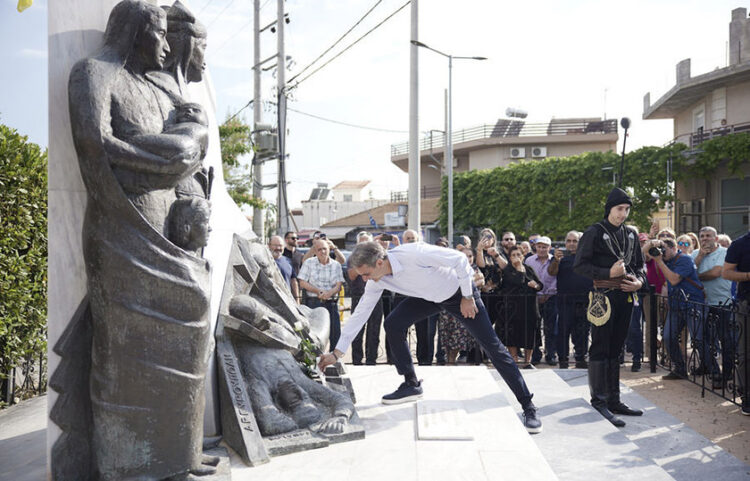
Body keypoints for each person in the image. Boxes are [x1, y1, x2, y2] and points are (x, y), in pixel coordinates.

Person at [318, 242, 542, 433]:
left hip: (458, 294)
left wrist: (466, 296)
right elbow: (361, 313)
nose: (365, 279)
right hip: (428, 298)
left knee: (493, 347)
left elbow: (459, 260)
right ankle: (411, 383)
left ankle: (528, 405)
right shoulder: (378, 280)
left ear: (379, 262)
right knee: (393, 324)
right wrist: (337, 353)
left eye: (365, 273)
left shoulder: (413, 254)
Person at [574, 187, 647, 427]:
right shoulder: (594, 232)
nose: (623, 214)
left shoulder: (632, 235)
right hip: (601, 296)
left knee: (617, 348)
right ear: (609, 209)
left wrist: (639, 282)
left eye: (626, 209)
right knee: (601, 347)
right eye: (619, 209)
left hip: (625, 297)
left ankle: (614, 400)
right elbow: (580, 266)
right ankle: (599, 401)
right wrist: (608, 272)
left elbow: (639, 265)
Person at [652, 237, 710, 380]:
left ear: (673, 248)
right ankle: (680, 369)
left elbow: (674, 279)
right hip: (676, 305)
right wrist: (652, 244)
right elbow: (644, 254)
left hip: (693, 304)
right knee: (668, 337)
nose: (662, 253)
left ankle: (712, 368)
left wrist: (659, 261)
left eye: (664, 250)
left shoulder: (685, 259)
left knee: (698, 339)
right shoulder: (666, 260)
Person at [692, 226, 734, 388]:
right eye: (702, 236)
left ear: (715, 239)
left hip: (722, 303)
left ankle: (727, 372)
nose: (704, 239)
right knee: (702, 338)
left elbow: (716, 273)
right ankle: (710, 368)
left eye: (708, 236)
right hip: (701, 303)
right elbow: (688, 272)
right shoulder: (696, 254)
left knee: (725, 339)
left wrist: (696, 277)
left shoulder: (724, 252)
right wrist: (701, 256)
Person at [548, 231, 592, 369]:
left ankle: (581, 358)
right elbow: (551, 272)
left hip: (585, 300)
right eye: (569, 241)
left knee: (583, 331)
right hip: (565, 301)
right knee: (563, 331)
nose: (571, 244)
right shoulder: (560, 257)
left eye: (575, 241)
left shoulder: (587, 257)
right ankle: (563, 359)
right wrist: (556, 260)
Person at [499, 245, 543, 366]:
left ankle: (527, 362)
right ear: (509, 258)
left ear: (523, 256)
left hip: (530, 308)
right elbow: (518, 281)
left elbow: (540, 285)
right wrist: (519, 269)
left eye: (519, 255)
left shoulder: (528, 268)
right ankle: (514, 361)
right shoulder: (508, 270)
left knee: (530, 334)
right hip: (513, 308)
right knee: (512, 335)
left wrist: (536, 286)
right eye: (513, 255)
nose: (516, 257)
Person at [721, 230, 750, 415]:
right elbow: (726, 273)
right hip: (747, 305)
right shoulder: (740, 244)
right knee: (746, 352)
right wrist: (748, 276)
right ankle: (746, 396)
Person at [298, 239, 345, 350]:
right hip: (313, 303)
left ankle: (334, 360)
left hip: (331, 303)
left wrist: (329, 293)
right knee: (312, 335)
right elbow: (302, 282)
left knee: (335, 334)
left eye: (325, 249)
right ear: (315, 251)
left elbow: (338, 285)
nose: (322, 251)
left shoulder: (336, 265)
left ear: (329, 249)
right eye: (319, 249)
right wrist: (317, 291)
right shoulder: (309, 263)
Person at [439, 247, 481, 364]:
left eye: (470, 256)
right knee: (448, 338)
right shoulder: (452, 269)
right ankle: (449, 362)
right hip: (449, 309)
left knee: (459, 339)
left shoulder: (475, 269)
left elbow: (480, 282)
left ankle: (452, 361)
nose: (468, 258)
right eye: (465, 256)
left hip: (464, 309)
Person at [347, 232, 383, 365]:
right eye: (362, 243)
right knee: (357, 330)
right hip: (358, 296)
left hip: (376, 296)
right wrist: (362, 266)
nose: (364, 245)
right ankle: (357, 360)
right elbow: (351, 276)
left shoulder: (377, 257)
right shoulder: (352, 258)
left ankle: (371, 359)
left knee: (374, 331)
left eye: (367, 242)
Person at [525, 236, 558, 366]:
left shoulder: (555, 260)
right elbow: (527, 278)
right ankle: (536, 355)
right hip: (535, 298)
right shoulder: (529, 261)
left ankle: (551, 354)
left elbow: (557, 279)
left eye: (544, 247)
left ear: (549, 248)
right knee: (535, 328)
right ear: (535, 247)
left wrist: (548, 293)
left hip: (551, 297)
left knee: (551, 328)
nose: (542, 249)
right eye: (539, 246)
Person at [268, 235, 299, 301]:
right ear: (269, 245)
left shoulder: (288, 261)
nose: (278, 248)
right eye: (275, 245)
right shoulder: (264, 261)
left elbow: (293, 281)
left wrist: (297, 299)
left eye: (281, 245)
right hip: (269, 300)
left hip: (287, 300)